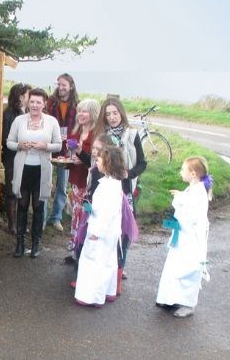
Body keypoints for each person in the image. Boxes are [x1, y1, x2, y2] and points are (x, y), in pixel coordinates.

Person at [93, 96, 147, 287]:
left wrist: (129, 174)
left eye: (115, 113)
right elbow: (95, 162)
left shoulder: (132, 135)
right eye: (108, 114)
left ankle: (119, 270)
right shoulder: (101, 135)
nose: (112, 117)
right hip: (105, 187)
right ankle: (107, 267)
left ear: (121, 113)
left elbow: (142, 162)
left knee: (123, 230)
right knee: (106, 228)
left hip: (125, 188)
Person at [6, 88, 62, 258]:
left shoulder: (52, 121)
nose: (35, 105)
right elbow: (9, 142)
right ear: (27, 102)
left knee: (38, 206)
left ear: (44, 104)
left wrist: (46, 146)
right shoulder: (19, 120)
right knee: (22, 204)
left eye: (39, 102)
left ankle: (36, 243)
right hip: (23, 168)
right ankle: (20, 244)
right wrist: (19, 145)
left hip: (41, 169)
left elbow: (58, 145)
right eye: (32, 101)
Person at [156, 156, 212, 318]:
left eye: (183, 169)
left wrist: (179, 200)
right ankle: (170, 297)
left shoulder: (199, 193)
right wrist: (182, 196)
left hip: (191, 239)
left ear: (193, 174)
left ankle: (188, 303)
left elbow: (191, 216)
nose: (181, 172)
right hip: (182, 238)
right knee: (174, 266)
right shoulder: (193, 189)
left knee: (187, 269)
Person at [74, 145, 126, 307]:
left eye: (99, 159)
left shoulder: (107, 187)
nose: (96, 161)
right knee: (108, 260)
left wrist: (97, 232)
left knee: (93, 260)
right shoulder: (114, 183)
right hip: (111, 231)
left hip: (101, 229)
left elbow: (105, 212)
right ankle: (108, 291)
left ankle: (93, 296)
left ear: (108, 164)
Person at [65, 98, 100, 260]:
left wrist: (80, 156)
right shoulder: (75, 132)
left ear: (93, 113)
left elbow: (96, 162)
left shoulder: (97, 135)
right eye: (79, 111)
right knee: (75, 214)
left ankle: (82, 251)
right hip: (75, 178)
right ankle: (75, 251)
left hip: (89, 181)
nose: (80, 114)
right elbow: (71, 156)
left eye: (84, 111)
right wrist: (68, 158)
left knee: (83, 216)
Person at [46, 73, 79, 231]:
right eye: (58, 84)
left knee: (62, 185)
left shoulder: (77, 105)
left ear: (70, 86)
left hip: (67, 149)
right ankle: (43, 217)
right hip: (49, 146)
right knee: (45, 182)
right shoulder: (51, 102)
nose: (60, 87)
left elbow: (78, 129)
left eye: (63, 85)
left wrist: (70, 139)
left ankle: (56, 217)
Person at [1, 83, 30, 235]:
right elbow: (5, 138)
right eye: (28, 95)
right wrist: (20, 144)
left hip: (27, 156)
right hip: (12, 157)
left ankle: (20, 223)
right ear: (20, 96)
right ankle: (12, 225)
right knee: (12, 190)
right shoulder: (9, 114)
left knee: (23, 190)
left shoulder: (28, 112)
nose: (30, 98)